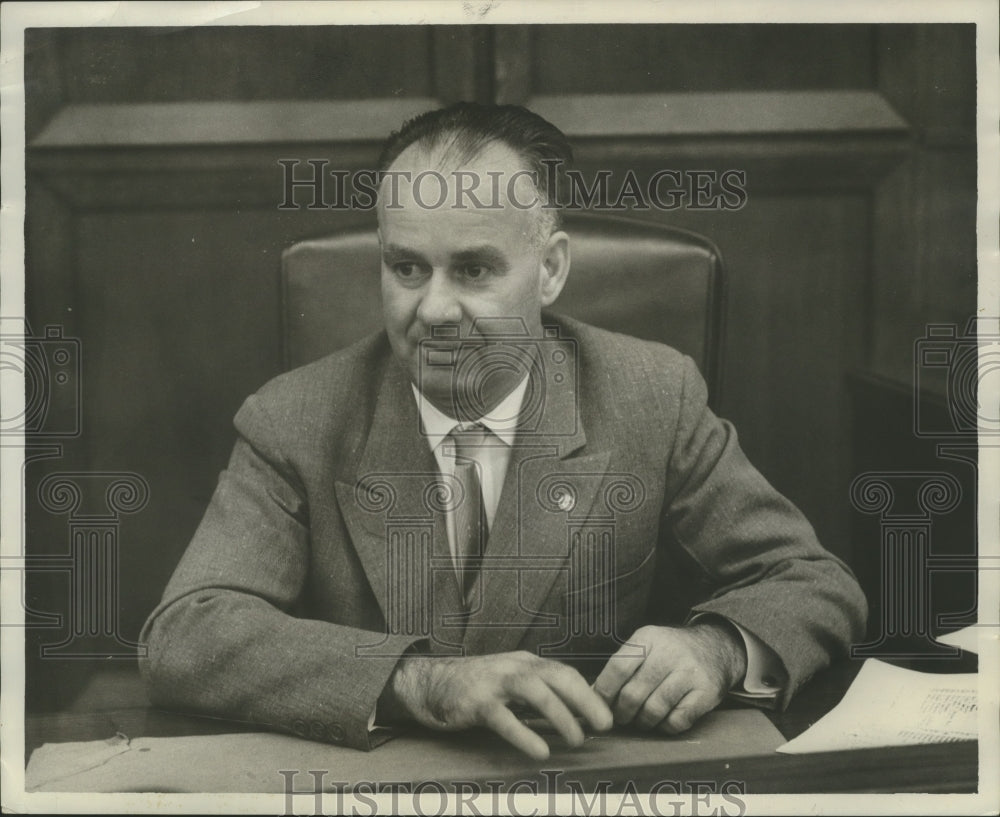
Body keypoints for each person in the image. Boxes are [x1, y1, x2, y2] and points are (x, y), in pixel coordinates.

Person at [139, 103, 867, 760]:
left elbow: (811, 581)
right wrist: (420, 682)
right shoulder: (293, 417)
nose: (433, 310)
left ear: (549, 270)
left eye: (475, 269)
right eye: (407, 267)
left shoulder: (652, 393)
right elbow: (187, 634)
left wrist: (716, 650)